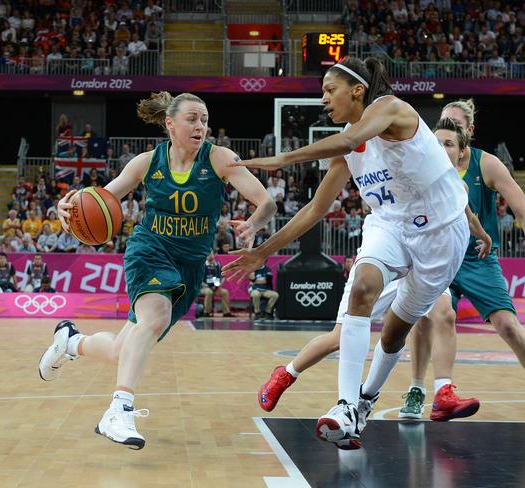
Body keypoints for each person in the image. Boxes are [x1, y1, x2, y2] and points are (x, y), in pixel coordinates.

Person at [223, 56, 470, 449]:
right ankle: (345, 405)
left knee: (394, 332)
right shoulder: (348, 145)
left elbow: (349, 140)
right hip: (389, 224)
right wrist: (263, 251)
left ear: (357, 90)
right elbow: (316, 209)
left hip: (441, 235)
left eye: (329, 89)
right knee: (362, 289)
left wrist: (284, 158)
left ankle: (366, 400)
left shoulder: (391, 108)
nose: (323, 98)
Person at [38, 91, 276, 449]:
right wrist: (69, 205)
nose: (201, 126)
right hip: (150, 250)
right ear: (170, 124)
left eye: (205, 120)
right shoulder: (147, 162)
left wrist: (255, 223)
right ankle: (119, 409)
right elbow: (102, 199)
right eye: (193, 119)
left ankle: (71, 341)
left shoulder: (220, 159)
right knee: (155, 316)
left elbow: (267, 202)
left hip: (190, 265)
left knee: (124, 350)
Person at [251, 117, 492, 423]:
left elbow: (464, 209)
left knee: (441, 314)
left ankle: (438, 390)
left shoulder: (445, 180)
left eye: (450, 144)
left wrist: (482, 234)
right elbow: (321, 199)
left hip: (429, 248)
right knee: (340, 336)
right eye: (439, 141)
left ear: (461, 153)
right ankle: (287, 373)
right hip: (390, 245)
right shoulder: (397, 144)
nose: (442, 147)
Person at [397, 99, 525, 427]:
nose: (446, 132)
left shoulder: (486, 164)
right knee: (433, 315)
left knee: (508, 325)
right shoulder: (425, 165)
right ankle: (422, 389)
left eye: (455, 127)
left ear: (469, 132)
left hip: (478, 259)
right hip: (436, 256)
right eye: (443, 126)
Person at [198, 251, 232, 317]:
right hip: (205, 287)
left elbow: (223, 277)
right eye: (208, 254)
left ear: (214, 255)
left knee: (225, 292)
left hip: (216, 287)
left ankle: (226, 312)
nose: (210, 255)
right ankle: (206, 312)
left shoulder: (218, 265)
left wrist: (219, 285)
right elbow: (199, 279)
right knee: (209, 292)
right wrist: (207, 286)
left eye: (211, 253)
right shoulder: (202, 265)